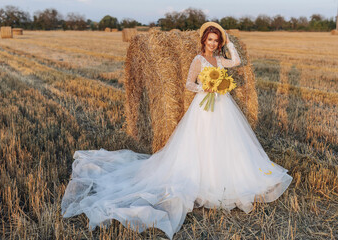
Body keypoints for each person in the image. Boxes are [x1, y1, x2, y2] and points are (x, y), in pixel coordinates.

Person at [61, 22, 293, 240]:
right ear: (203, 41)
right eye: (210, 40)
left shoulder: (221, 59)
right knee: (203, 142)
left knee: (226, 141)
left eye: (216, 40)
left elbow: (237, 61)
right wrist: (206, 86)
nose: (213, 43)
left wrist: (229, 41)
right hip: (203, 107)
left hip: (223, 107)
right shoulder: (198, 60)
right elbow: (188, 84)